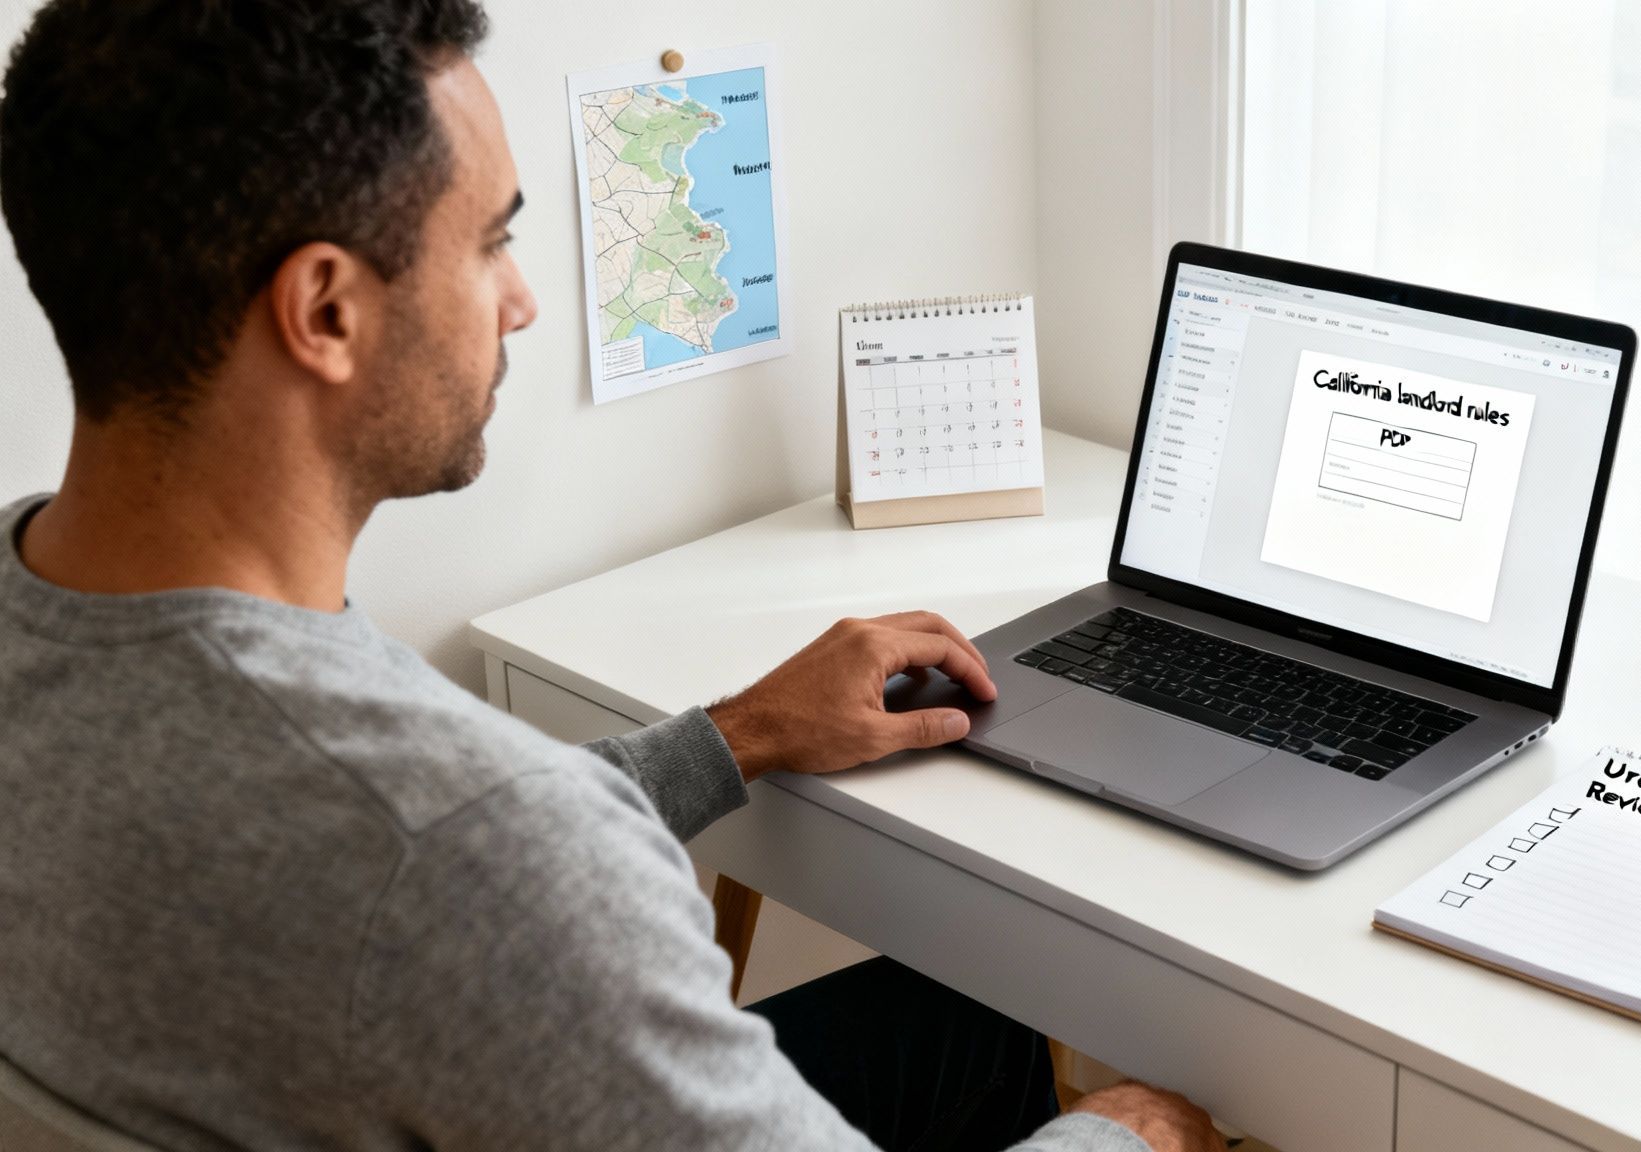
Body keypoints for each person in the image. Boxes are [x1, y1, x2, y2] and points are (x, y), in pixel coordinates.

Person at [0, 2, 1226, 1150]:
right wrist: (1131, 1129)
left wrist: (737, 733)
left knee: (961, 1016)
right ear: (324, 310)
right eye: (491, 243)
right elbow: (467, 855)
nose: (523, 302)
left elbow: (421, 854)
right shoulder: (480, 851)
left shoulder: (47, 607)